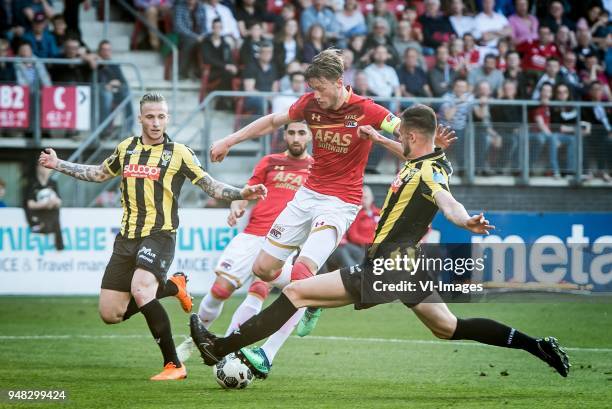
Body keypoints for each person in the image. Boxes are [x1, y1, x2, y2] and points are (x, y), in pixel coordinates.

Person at [190, 104, 571, 380]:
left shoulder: (428, 173)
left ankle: (218, 347)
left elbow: (445, 200)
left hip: (389, 265)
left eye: (400, 135)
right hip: (411, 267)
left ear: (413, 136)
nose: (396, 139)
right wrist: (375, 137)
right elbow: (412, 158)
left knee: (297, 292)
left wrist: (463, 219)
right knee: (448, 327)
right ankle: (535, 345)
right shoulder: (426, 159)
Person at [208, 49, 456, 340]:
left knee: (301, 274)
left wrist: (420, 144)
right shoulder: (310, 105)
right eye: (312, 89)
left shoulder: (368, 110)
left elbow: (409, 146)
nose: (316, 95)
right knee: (262, 269)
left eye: (320, 89)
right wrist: (229, 139)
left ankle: (265, 352)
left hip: (341, 202)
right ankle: (315, 298)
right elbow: (272, 121)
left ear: (339, 82)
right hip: (307, 194)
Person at [37, 93, 267, 380]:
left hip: (160, 234)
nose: (156, 122)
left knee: (141, 289)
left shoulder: (179, 152)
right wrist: (58, 164)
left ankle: (174, 364)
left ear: (167, 118)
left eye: (161, 116)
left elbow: (210, 185)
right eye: (150, 116)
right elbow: (98, 174)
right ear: (141, 118)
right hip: (126, 237)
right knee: (111, 314)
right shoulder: (126, 149)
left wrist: (241, 192)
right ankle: (172, 287)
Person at [176, 122, 314, 365]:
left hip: (285, 240)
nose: (296, 137)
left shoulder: (317, 168)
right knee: (220, 290)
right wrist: (236, 205)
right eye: (291, 132)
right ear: (284, 134)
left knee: (260, 290)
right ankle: (191, 341)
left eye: (301, 133)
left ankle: (225, 350)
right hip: (253, 233)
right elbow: (246, 192)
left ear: (310, 135)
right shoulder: (269, 162)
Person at [23, 162, 63, 250]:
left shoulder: (53, 183)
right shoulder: (32, 184)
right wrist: (44, 205)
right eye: (44, 167)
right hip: (38, 217)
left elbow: (59, 201)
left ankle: (59, 245)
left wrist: (54, 202)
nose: (46, 170)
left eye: (48, 168)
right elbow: (29, 204)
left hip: (51, 217)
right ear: (38, 168)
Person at [96, 40, 134, 133]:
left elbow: (123, 82)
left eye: (108, 50)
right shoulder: (96, 63)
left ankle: (128, 129)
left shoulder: (114, 64)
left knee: (127, 93)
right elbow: (95, 80)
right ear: (99, 51)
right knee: (107, 96)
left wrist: (117, 83)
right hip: (99, 92)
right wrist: (106, 85)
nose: (106, 52)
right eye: (104, 50)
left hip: (115, 93)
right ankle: (104, 131)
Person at [173, 0, 207, 79]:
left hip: (200, 37)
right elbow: (179, 27)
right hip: (184, 36)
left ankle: (204, 72)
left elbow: (204, 25)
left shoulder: (201, 7)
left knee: (208, 42)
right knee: (191, 42)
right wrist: (195, 36)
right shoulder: (180, 7)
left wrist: (203, 36)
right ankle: (182, 73)